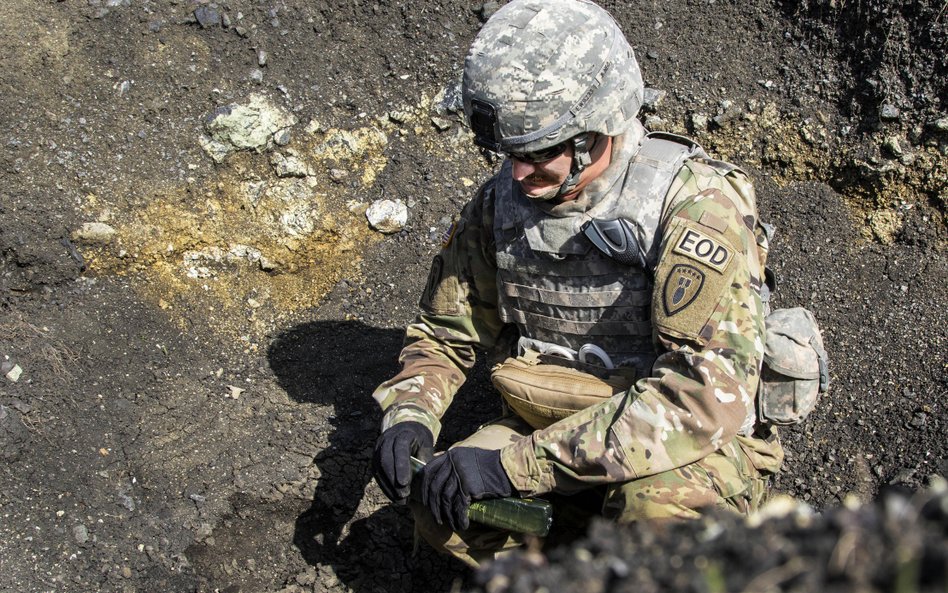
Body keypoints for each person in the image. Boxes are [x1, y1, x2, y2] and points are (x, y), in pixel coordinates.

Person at [371, 0, 784, 567]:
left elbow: (703, 397)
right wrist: (410, 415)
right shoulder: (500, 204)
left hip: (675, 442)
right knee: (444, 505)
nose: (518, 174)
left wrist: (516, 466)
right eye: (510, 153)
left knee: (659, 531)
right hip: (553, 421)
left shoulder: (693, 207)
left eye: (540, 152)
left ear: (596, 129)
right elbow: (445, 333)